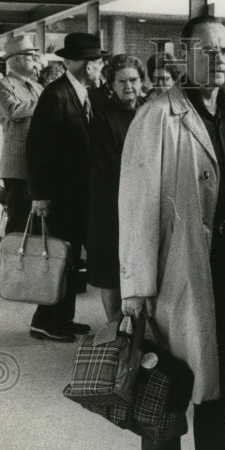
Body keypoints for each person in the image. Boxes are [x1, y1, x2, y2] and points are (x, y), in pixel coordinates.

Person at [119, 16, 225, 450]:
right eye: (208, 49)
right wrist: (135, 285)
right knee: (166, 379)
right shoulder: (158, 115)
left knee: (217, 380)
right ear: (183, 55)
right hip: (177, 269)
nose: (220, 58)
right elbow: (136, 204)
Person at [19, 32, 105, 342]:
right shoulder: (56, 95)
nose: (101, 68)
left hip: (80, 194)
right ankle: (45, 320)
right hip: (61, 196)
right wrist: (39, 195)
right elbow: (38, 149)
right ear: (86, 65)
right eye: (98, 62)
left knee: (68, 260)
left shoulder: (83, 93)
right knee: (57, 258)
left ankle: (62, 318)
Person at [87, 54, 146, 322]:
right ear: (111, 84)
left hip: (143, 204)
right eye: (121, 81)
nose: (128, 86)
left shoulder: (148, 111)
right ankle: (113, 332)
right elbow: (107, 164)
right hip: (112, 205)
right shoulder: (102, 117)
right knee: (111, 271)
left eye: (133, 80)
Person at [0, 35, 44, 254]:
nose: (34, 59)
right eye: (29, 56)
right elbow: (14, 111)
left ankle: (30, 261)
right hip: (17, 162)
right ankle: (12, 262)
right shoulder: (2, 85)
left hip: (38, 158)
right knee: (18, 213)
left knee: (37, 216)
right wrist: (44, 103)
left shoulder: (37, 86)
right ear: (15, 60)